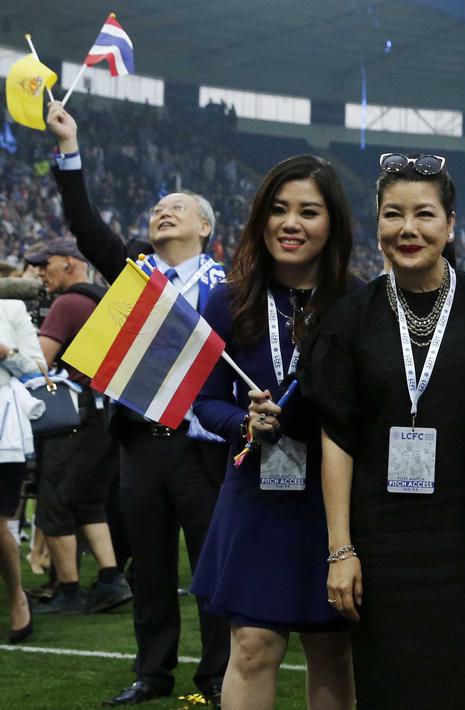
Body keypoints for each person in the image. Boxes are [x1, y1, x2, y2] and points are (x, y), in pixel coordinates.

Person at [302, 152, 465, 707]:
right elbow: (338, 438)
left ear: (449, 225)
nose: (408, 229)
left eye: (424, 214)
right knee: (390, 687)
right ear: (377, 226)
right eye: (393, 214)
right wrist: (340, 549)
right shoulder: (350, 318)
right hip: (382, 548)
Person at [46, 101, 230, 706]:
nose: (162, 212)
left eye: (175, 208)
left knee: (211, 570)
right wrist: (69, 151)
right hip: (139, 445)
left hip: (203, 449)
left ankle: (219, 675)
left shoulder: (232, 288)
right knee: (149, 569)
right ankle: (152, 674)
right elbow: (84, 224)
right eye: (157, 208)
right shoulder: (134, 270)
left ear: (205, 228)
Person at [191, 156, 356, 709]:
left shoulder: (357, 302)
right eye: (279, 210)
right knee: (254, 646)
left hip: (333, 501)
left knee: (331, 648)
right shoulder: (229, 299)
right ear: (261, 219)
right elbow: (206, 400)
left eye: (309, 211)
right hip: (257, 496)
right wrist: (244, 422)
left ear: (332, 223)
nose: (292, 223)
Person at [24, 238, 130, 617]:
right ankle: (110, 579)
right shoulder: (103, 299)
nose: (39, 271)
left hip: (74, 419)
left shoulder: (67, 303)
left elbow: (37, 363)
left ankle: (68, 592)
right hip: (106, 419)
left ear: (70, 263)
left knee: (54, 503)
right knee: (90, 503)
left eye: (44, 263)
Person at [0, 287, 46, 643]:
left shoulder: (11, 310)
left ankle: (17, 596)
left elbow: (39, 374)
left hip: (4, 434)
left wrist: (5, 353)